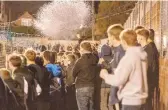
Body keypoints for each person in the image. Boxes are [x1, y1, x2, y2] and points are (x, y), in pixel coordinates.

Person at [100, 29, 148, 110]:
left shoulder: (129, 57)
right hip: (140, 99)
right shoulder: (141, 55)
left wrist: (105, 75)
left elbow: (119, 80)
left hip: (130, 100)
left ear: (124, 41)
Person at [136, 28, 159, 110]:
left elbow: (147, 67)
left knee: (146, 105)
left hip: (147, 82)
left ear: (141, 37)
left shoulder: (147, 50)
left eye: (137, 36)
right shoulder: (144, 49)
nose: (136, 38)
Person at [73, 41, 99, 110]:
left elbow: (73, 73)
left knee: (83, 108)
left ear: (82, 49)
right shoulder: (95, 58)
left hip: (81, 86)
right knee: (91, 107)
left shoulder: (80, 61)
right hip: (92, 86)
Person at [105, 24, 125, 110]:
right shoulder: (117, 50)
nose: (108, 39)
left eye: (108, 36)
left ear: (113, 37)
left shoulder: (121, 52)